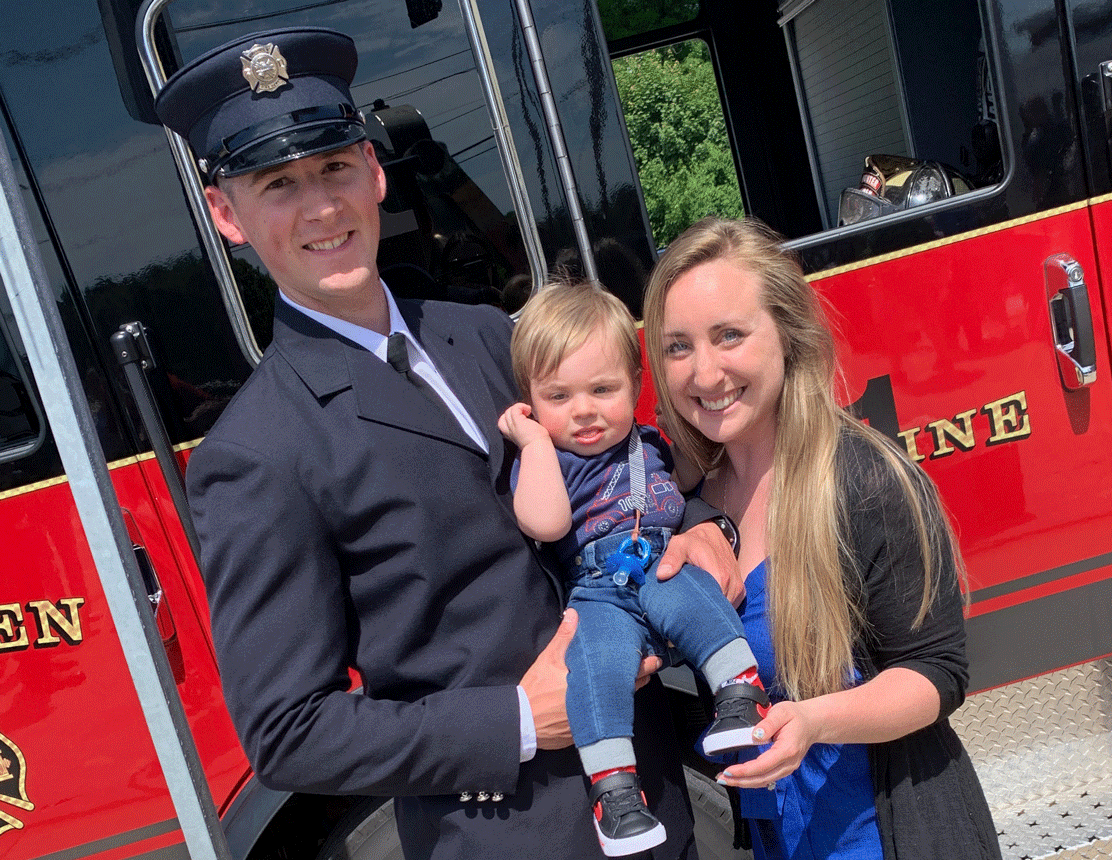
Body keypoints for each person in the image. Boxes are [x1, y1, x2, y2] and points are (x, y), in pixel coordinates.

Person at [153, 26, 734, 860]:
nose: (320, 207)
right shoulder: (257, 452)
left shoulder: (489, 334)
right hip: (504, 835)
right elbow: (288, 732)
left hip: (654, 791)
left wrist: (706, 525)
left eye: (334, 167)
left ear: (374, 172)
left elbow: (615, 453)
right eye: (277, 184)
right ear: (226, 215)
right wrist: (516, 722)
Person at [642, 216, 1002, 860]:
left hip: (881, 838)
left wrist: (813, 721)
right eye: (677, 347)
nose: (704, 372)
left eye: (730, 335)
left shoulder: (867, 481)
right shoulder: (686, 504)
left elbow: (935, 675)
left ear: (788, 334)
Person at [498, 281, 769, 856]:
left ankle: (740, 694)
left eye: (603, 389)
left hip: (658, 561)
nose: (585, 411)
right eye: (559, 397)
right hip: (597, 593)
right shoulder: (549, 462)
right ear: (529, 401)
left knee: (692, 599)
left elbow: (695, 476)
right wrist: (534, 443)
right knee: (595, 670)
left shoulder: (649, 442)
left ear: (635, 386)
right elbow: (544, 523)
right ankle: (616, 794)